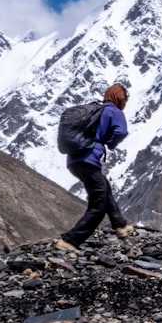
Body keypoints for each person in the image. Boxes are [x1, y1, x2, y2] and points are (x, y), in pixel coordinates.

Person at [55, 83, 136, 251]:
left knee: (104, 189)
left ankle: (120, 225)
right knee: (98, 204)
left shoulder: (95, 110)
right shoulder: (114, 112)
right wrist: (110, 143)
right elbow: (120, 131)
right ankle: (70, 240)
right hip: (89, 159)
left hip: (74, 160)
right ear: (120, 98)